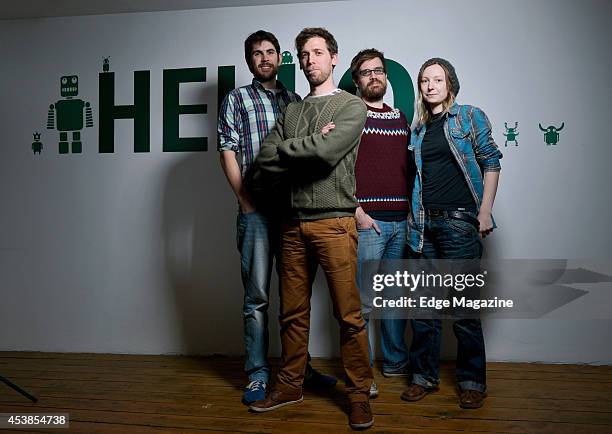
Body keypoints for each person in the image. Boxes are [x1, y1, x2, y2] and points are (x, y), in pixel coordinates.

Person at [249, 27, 374, 430]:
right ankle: (289, 385)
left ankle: (358, 395)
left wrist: (296, 148)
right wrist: (301, 145)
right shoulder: (292, 112)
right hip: (292, 224)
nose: (310, 61)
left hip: (336, 224)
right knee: (292, 314)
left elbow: (325, 155)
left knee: (349, 316)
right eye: (304, 55)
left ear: (333, 58)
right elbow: (264, 160)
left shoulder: (352, 107)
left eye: (318, 53)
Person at [217, 30, 335, 405]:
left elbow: (306, 150)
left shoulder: (295, 99)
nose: (264, 58)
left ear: (280, 57)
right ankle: (256, 374)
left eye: (270, 52)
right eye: (256, 53)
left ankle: (299, 369)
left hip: (291, 213)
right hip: (255, 213)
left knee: (295, 298)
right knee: (257, 298)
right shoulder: (237, 99)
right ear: (249, 60)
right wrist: (244, 200)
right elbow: (227, 151)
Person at [402, 58, 502, 409]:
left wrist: (485, 211)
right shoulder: (418, 129)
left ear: (450, 84)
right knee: (424, 309)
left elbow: (491, 161)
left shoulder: (469, 116)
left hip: (460, 223)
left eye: (437, 79)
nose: (430, 86)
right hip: (424, 226)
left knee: (462, 309)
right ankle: (422, 377)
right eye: (425, 80)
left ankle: (472, 381)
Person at [350, 48, 413, 399]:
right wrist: (357, 211)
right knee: (362, 304)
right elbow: (338, 169)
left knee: (393, 298)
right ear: (357, 79)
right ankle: (362, 373)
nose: (373, 77)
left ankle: (394, 362)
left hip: (400, 223)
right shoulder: (351, 116)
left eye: (379, 71)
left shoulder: (401, 119)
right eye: (366, 72)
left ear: (386, 77)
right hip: (367, 224)